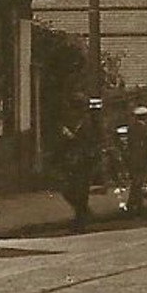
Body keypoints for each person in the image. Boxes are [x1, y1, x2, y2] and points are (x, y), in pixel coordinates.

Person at [57, 95, 95, 232]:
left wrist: (70, 136)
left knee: (80, 191)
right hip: (74, 160)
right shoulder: (77, 122)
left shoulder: (87, 123)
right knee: (70, 190)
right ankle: (83, 216)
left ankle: (81, 221)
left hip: (83, 161)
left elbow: (86, 141)